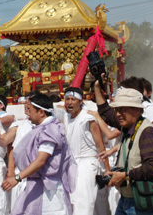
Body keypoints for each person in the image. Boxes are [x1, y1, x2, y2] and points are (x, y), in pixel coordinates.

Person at [94, 80, 153, 215]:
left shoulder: (146, 131)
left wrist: (125, 175)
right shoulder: (128, 125)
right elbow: (106, 113)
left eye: (123, 109)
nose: (118, 114)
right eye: (117, 109)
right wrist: (97, 87)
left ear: (137, 110)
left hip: (142, 201)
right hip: (128, 198)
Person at [2, 93, 77, 215]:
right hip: (36, 183)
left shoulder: (50, 130)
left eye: (30, 110)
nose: (27, 113)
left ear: (41, 112)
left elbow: (41, 160)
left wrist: (17, 177)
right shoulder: (41, 128)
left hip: (49, 188)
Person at [61, 87, 110, 215]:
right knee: (71, 204)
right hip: (71, 165)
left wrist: (107, 170)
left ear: (80, 101)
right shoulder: (66, 118)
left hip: (87, 165)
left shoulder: (88, 119)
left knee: (84, 203)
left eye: (73, 99)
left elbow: (101, 146)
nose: (70, 102)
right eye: (67, 99)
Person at [0, 91, 39, 211]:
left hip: (41, 174)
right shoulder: (18, 125)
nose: (27, 106)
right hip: (20, 174)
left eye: (30, 103)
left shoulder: (49, 124)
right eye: (26, 103)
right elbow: (7, 143)